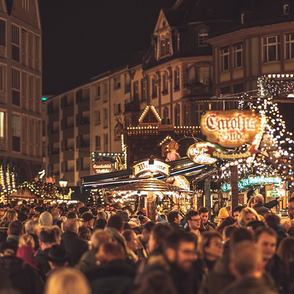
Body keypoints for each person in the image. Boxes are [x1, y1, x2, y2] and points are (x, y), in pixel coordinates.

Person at [255, 227, 289, 294]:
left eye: (272, 245)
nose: (269, 248)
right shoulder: (245, 265)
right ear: (255, 243)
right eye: (265, 244)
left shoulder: (280, 266)